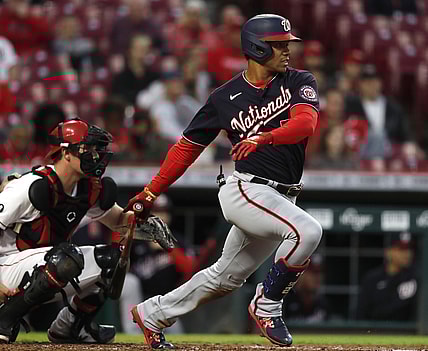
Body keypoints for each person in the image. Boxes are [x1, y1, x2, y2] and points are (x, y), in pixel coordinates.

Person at [124, 14, 323, 349]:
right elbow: (186, 148)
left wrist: (264, 138)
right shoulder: (224, 96)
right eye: (279, 44)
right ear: (256, 48)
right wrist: (151, 190)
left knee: (224, 278)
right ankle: (267, 305)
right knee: (308, 232)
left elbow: (306, 124)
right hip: (246, 189)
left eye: (287, 43)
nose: (287, 50)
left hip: (281, 196)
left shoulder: (298, 80)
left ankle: (153, 313)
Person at [0, 118, 136, 344]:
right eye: (87, 149)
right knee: (65, 257)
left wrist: (143, 219)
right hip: (6, 266)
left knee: (112, 260)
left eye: (95, 149)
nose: (94, 155)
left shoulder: (86, 187)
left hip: (43, 266)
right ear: (66, 153)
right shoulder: (30, 185)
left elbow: (121, 221)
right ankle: (4, 319)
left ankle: (70, 327)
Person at [357, 232, 419, 321]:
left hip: (407, 332)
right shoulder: (372, 278)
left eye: (409, 249)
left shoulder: (417, 277)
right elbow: (361, 312)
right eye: (401, 249)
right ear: (388, 252)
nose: (407, 253)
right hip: (375, 331)